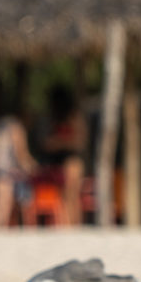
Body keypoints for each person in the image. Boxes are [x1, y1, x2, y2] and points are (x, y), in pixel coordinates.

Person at [43, 87, 88, 224]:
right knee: (65, 197)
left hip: (72, 161)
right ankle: (69, 223)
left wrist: (60, 142)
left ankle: (73, 224)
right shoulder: (53, 119)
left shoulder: (74, 117)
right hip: (57, 163)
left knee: (71, 196)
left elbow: (80, 142)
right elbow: (46, 143)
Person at [0, 116, 37, 227]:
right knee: (3, 203)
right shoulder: (16, 127)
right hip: (3, 169)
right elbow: (20, 152)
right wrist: (32, 166)